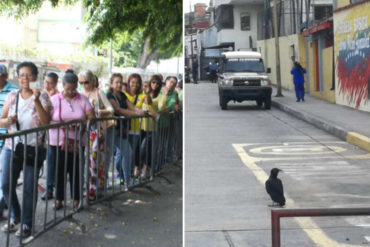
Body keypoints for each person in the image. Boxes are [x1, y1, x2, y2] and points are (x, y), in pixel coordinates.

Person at [0, 61, 52, 237]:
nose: (25, 78)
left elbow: (46, 122)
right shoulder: (12, 96)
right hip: (11, 147)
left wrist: (36, 101)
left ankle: (27, 223)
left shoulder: (43, 96)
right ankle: (15, 216)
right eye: (21, 75)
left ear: (35, 77)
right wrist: (7, 122)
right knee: (6, 184)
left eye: (29, 75)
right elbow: (2, 119)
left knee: (29, 187)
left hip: (33, 148)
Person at [49, 69, 94, 211]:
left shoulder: (82, 99)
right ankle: (59, 199)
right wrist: (62, 126)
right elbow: (46, 119)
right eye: (68, 89)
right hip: (57, 141)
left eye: (74, 89)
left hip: (77, 141)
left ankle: (76, 199)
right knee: (59, 170)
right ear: (63, 86)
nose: (71, 92)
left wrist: (82, 125)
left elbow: (91, 116)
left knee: (76, 170)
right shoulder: (54, 100)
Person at [78, 70, 114, 200]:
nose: (84, 85)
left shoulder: (99, 93)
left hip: (98, 132)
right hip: (84, 132)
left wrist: (97, 112)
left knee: (96, 161)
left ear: (92, 80)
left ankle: (95, 189)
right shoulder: (80, 94)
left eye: (86, 82)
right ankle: (91, 187)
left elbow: (111, 109)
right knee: (86, 161)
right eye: (81, 82)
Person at [106, 73, 144, 188]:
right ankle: (105, 180)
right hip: (111, 129)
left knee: (128, 152)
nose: (118, 84)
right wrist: (136, 113)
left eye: (120, 82)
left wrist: (141, 111)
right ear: (111, 83)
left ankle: (127, 180)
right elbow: (118, 110)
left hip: (121, 129)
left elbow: (131, 106)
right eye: (116, 82)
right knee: (108, 156)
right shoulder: (109, 95)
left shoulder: (122, 95)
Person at [0, 65, 18, 218]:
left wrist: (5, 122)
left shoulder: (13, 92)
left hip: (7, 138)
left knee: (4, 176)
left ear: (5, 76)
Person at [41, 72, 60, 200]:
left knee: (52, 164)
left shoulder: (58, 97)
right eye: (46, 82)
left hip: (54, 137)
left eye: (50, 83)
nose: (48, 85)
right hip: (40, 136)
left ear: (55, 83)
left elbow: (58, 119)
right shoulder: (40, 95)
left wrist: (48, 121)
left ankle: (50, 189)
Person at [124, 74, 146, 180]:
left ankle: (128, 176)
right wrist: (135, 111)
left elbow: (147, 104)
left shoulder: (142, 96)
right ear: (128, 83)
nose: (135, 84)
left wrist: (147, 92)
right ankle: (122, 176)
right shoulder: (123, 94)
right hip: (123, 129)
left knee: (131, 154)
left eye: (137, 82)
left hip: (135, 129)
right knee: (121, 155)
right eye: (132, 82)